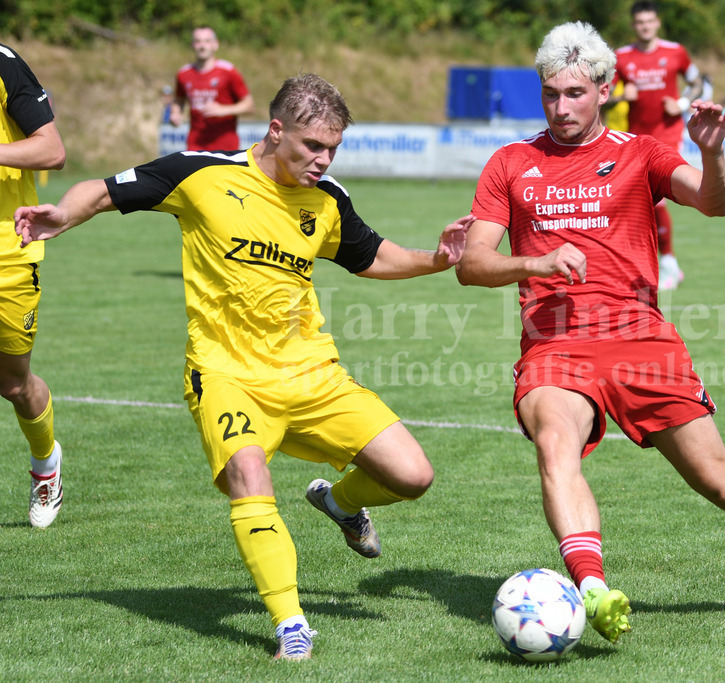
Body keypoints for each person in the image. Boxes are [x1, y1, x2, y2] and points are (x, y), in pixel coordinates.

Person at [15, 73, 473, 661]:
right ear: (276, 131)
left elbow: (372, 256)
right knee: (250, 478)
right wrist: (62, 218)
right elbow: (104, 190)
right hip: (226, 373)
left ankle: (339, 502)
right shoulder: (202, 173)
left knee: (413, 477)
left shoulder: (327, 198)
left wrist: (438, 258)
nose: (324, 159)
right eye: (313, 146)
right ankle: (291, 624)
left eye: (333, 148)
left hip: (312, 374)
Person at [456, 21, 725, 645]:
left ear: (604, 88)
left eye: (575, 92)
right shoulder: (510, 162)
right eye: (550, 93)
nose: (561, 106)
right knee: (556, 443)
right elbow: (472, 264)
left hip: (642, 342)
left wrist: (712, 153)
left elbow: (714, 204)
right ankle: (594, 592)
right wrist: (536, 264)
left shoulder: (641, 153)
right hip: (555, 345)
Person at [1, 42, 67, 529]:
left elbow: (51, 149)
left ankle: (46, 464)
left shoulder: (3, 63)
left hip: (9, 252)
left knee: (14, 384)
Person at [614, 0, 703, 290]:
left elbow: (698, 83)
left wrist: (681, 103)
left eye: (649, 21)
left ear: (658, 23)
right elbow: (601, 94)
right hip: (635, 136)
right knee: (641, 201)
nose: (645, 26)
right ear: (633, 25)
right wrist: (621, 96)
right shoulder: (621, 57)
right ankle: (647, 263)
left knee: (657, 197)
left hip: (667, 134)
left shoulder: (675, 51)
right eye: (640, 22)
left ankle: (669, 264)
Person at [168, 26, 254, 151]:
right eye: (198, 41)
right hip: (195, 146)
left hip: (225, 147)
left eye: (207, 41)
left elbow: (249, 105)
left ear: (215, 44)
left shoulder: (228, 71)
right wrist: (175, 113)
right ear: (192, 45)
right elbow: (179, 99)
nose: (202, 46)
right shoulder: (184, 74)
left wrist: (223, 110)